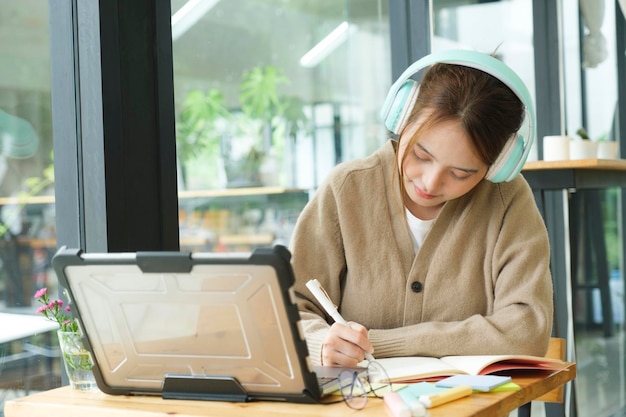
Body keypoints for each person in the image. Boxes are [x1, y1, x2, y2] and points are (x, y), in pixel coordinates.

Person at [289, 50, 553, 368]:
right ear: (402, 118)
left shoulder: (506, 200)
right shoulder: (347, 189)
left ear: (497, 165)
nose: (429, 182)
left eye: (460, 174)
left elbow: (527, 331)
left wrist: (380, 344)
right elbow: (290, 310)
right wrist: (321, 343)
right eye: (421, 155)